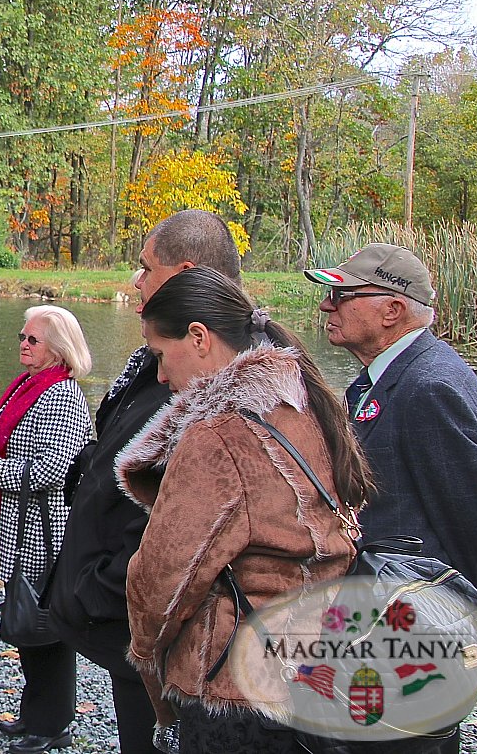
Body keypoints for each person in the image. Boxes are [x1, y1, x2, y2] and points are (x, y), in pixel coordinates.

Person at [119, 267, 369, 754]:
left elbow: (159, 582)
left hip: (237, 689)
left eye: (160, 355)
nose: (161, 375)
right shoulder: (303, 403)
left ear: (198, 338)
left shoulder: (218, 435)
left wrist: (155, 683)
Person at [44, 209, 243, 754]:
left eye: (145, 267)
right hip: (125, 619)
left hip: (153, 625)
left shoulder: (215, 377)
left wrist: (106, 587)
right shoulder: (161, 354)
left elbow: (178, 523)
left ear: (183, 273)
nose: (136, 279)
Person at [304, 242, 477, 753]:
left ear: (392, 309)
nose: (327, 305)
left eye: (341, 294)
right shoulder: (385, 379)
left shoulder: (428, 387)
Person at [0, 306, 94, 754]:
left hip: (44, 529)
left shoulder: (62, 395)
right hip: (22, 529)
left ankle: (53, 724)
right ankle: (35, 713)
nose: (23, 343)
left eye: (32, 339)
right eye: (22, 336)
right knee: (28, 622)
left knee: (44, 626)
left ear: (58, 348)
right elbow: (13, 446)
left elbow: (53, 469)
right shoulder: (29, 386)